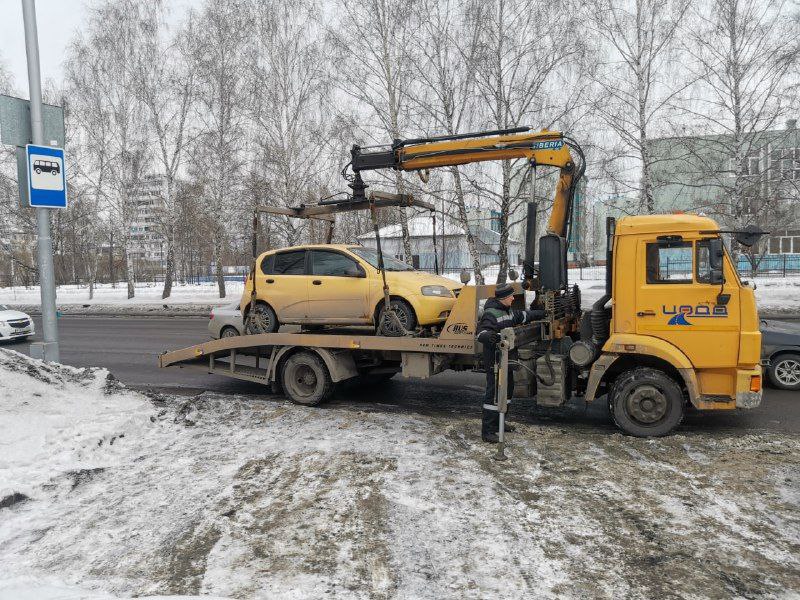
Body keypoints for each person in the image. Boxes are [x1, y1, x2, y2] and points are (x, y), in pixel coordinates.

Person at [476, 283, 545, 443]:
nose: (513, 298)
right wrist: (492, 337)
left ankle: (500, 422)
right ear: (503, 298)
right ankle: (488, 431)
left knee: (507, 392)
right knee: (494, 395)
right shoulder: (491, 314)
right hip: (496, 361)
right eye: (511, 296)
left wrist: (542, 313)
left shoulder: (508, 311)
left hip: (507, 359)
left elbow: (524, 316)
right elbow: (481, 333)